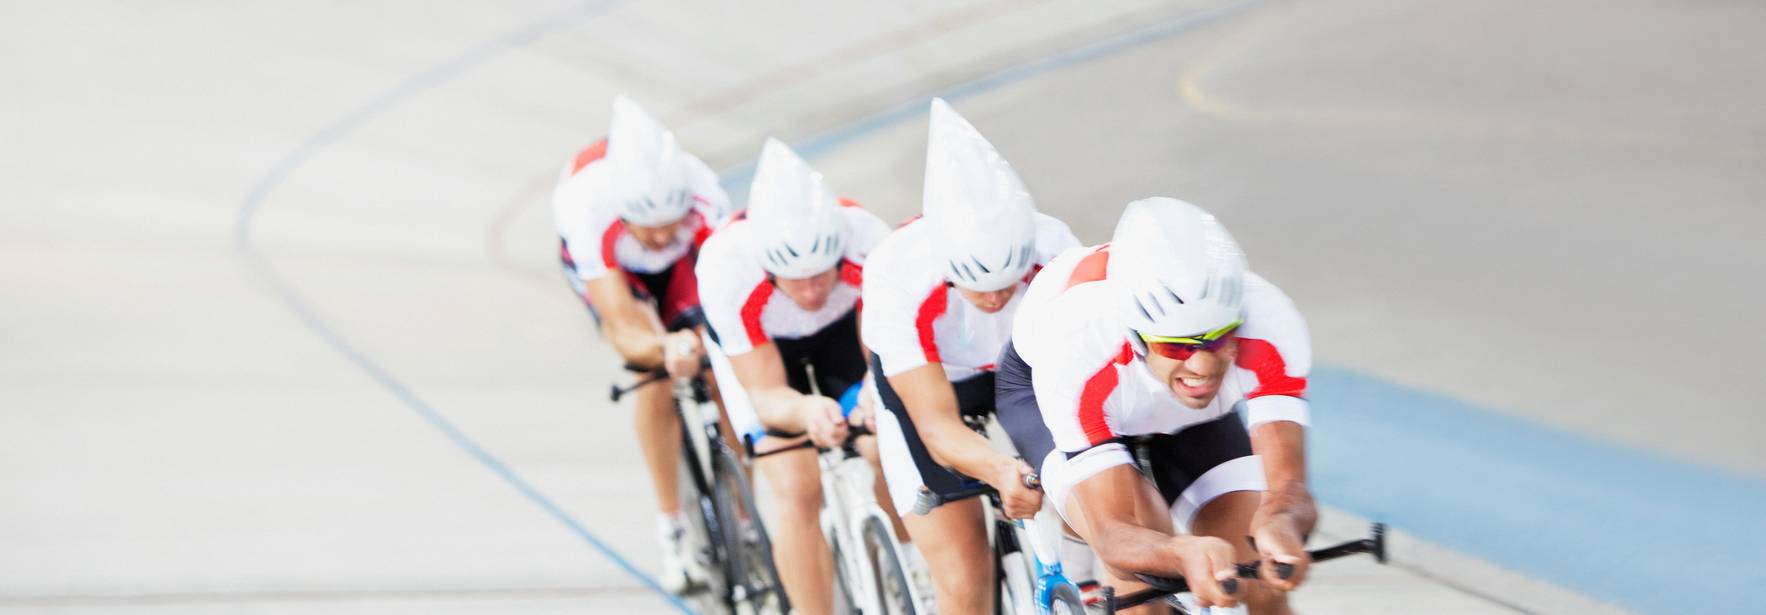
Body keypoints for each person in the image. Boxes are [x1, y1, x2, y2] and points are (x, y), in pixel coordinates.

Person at [995, 197, 1316, 614]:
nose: (1202, 364)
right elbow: (1115, 535)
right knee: (1145, 554)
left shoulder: (1269, 320)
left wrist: (1282, 521)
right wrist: (1180, 554)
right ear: (1137, 335)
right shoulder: (1077, 342)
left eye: (1219, 337)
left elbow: (1289, 488)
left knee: (1259, 575)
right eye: (1175, 345)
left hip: (1181, 411)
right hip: (1059, 393)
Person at [860, 98, 1079, 613]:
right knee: (963, 576)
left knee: (1088, 533)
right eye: (978, 289)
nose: (996, 300)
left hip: (1022, 375)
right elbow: (935, 428)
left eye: (1007, 284)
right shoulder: (898, 271)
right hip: (934, 384)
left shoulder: (1056, 249)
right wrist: (1002, 471)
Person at [696, 138, 895, 615]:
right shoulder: (728, 268)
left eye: (821, 274)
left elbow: (887, 356)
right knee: (796, 487)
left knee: (886, 447)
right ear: (766, 262)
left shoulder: (868, 238)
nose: (810, 290)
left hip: (843, 334)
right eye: (795, 278)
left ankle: (909, 570)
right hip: (766, 354)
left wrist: (872, 395)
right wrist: (806, 409)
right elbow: (764, 393)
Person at [552, 95, 729, 593]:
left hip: (683, 268)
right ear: (624, 209)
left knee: (721, 365)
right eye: (646, 227)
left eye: (668, 224)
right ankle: (671, 522)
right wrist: (663, 350)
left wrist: (704, 342)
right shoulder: (585, 206)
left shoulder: (703, 194)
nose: (658, 236)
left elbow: (725, 293)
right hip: (616, 273)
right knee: (651, 374)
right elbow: (622, 323)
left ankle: (741, 514)